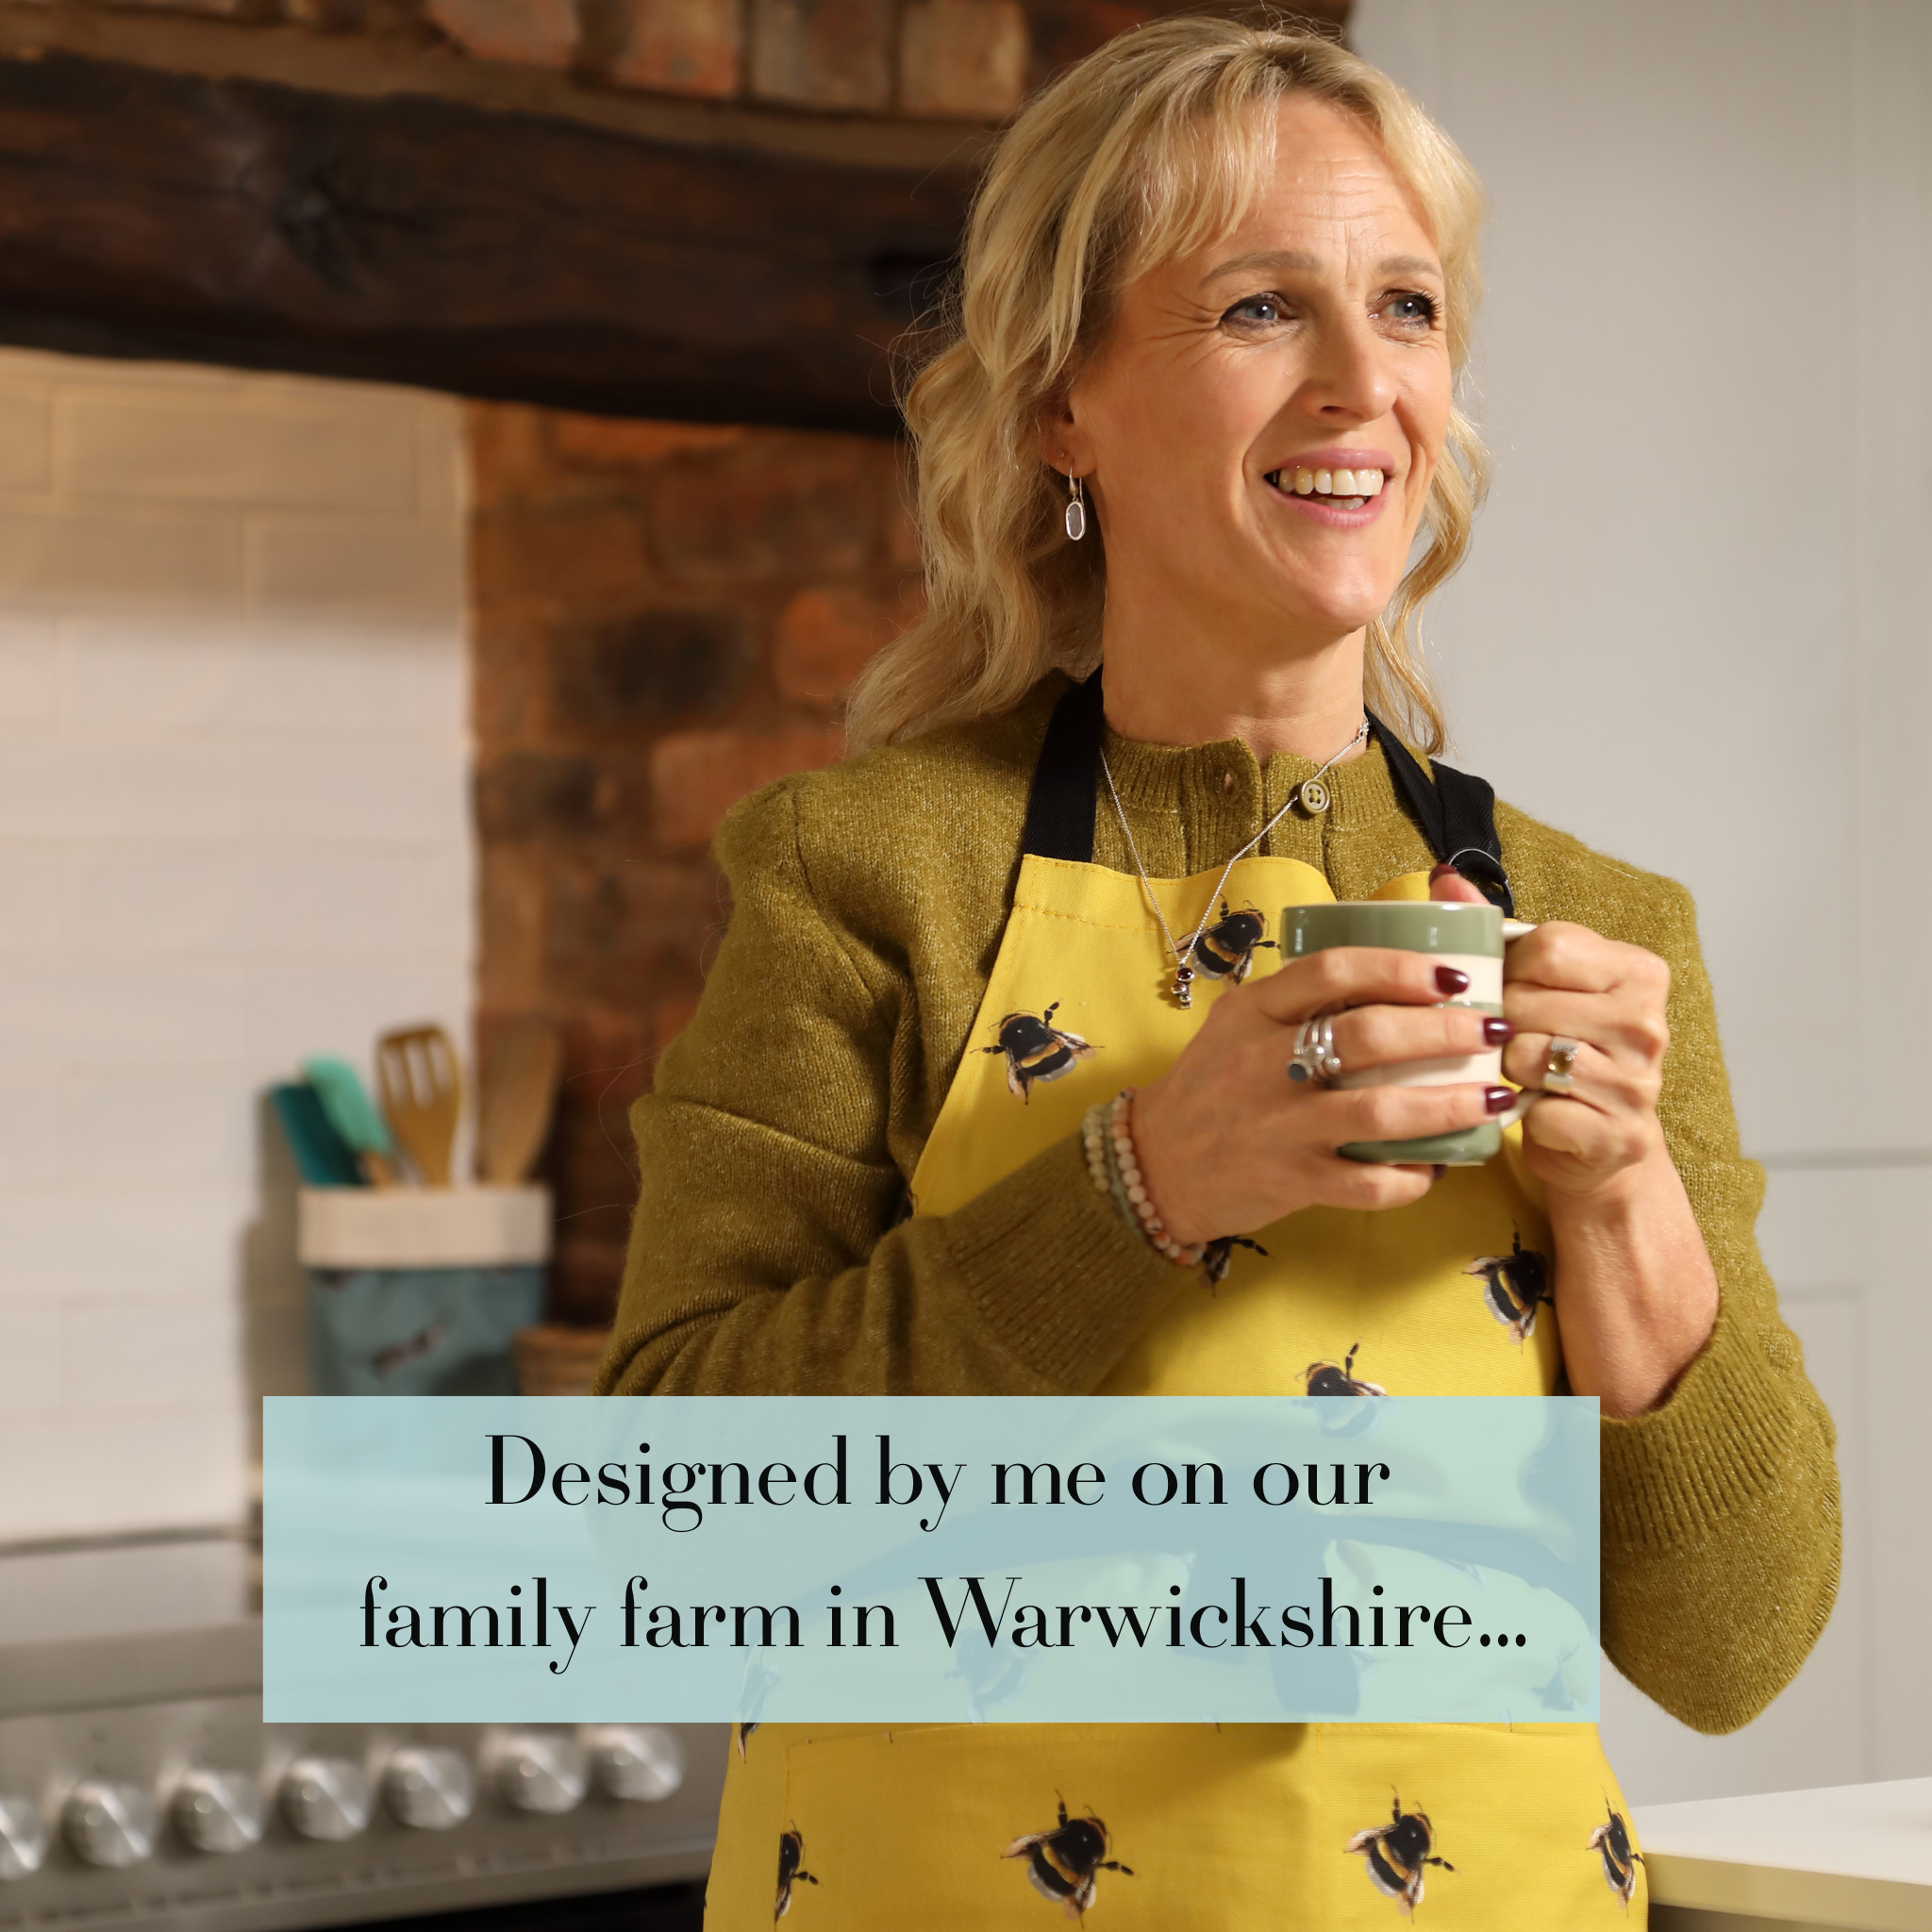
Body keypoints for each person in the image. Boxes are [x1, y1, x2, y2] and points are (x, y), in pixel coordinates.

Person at [596, 19, 1839, 1925]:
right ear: (1054, 406)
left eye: (1407, 309)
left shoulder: (1597, 928)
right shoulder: (869, 877)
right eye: (1261, 306)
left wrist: (1619, 1200)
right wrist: (1140, 1187)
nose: (1363, 386)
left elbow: (1735, 1644)